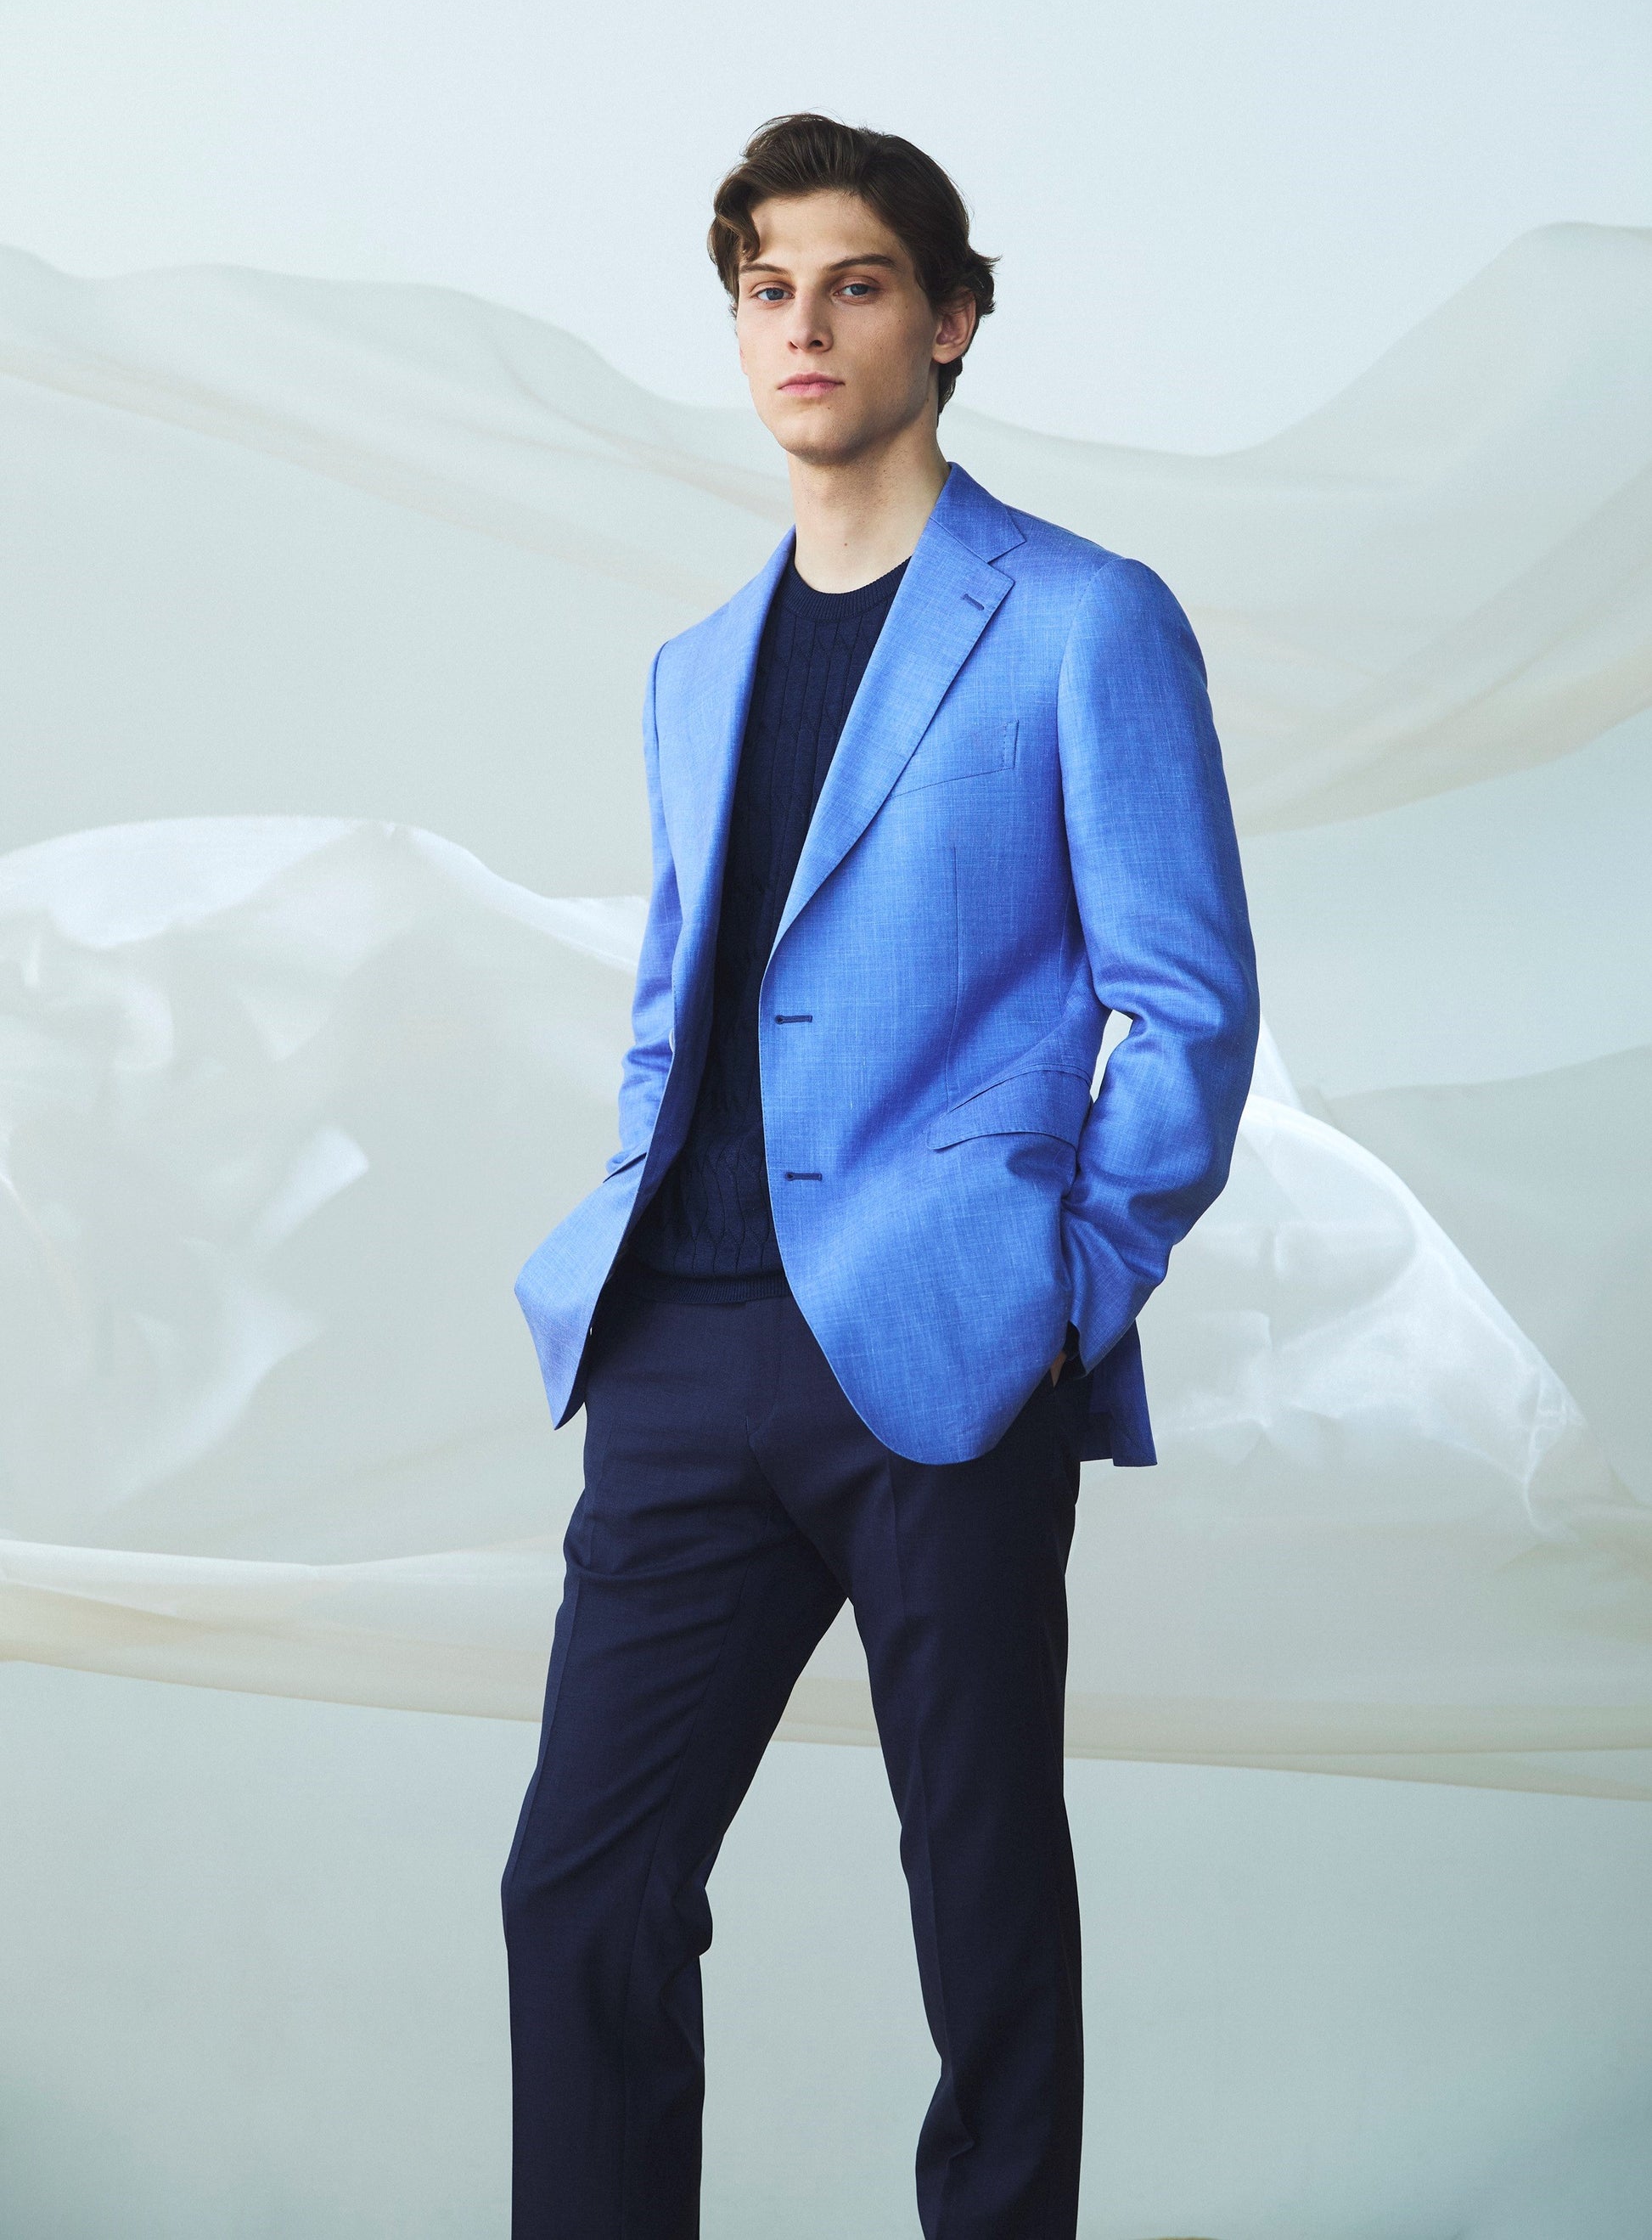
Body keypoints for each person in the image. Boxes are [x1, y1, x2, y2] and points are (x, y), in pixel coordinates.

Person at [501, 111, 1259, 2240]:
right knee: (579, 1892)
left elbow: (1189, 1000)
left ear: (951, 319)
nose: (804, 327)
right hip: (679, 1347)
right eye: (767, 289)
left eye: (853, 283)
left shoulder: (1083, 618)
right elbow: (674, 1001)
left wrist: (1062, 1283)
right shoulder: (693, 667)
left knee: (981, 1905)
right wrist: (636, 1202)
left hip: (941, 1348)